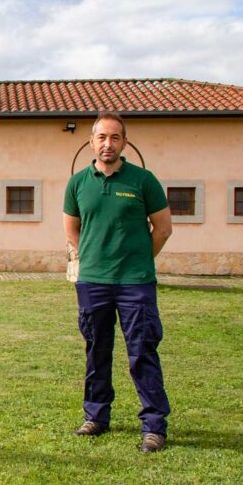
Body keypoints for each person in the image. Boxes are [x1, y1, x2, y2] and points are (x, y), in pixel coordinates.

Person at [63, 112, 173, 453]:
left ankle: (154, 426)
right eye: (101, 137)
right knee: (97, 350)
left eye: (114, 137)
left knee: (142, 352)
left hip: (135, 284)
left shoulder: (143, 181)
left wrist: (138, 261)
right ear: (91, 142)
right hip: (93, 283)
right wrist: (91, 260)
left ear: (124, 142)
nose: (107, 144)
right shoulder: (78, 183)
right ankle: (96, 416)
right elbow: (72, 229)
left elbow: (163, 228)